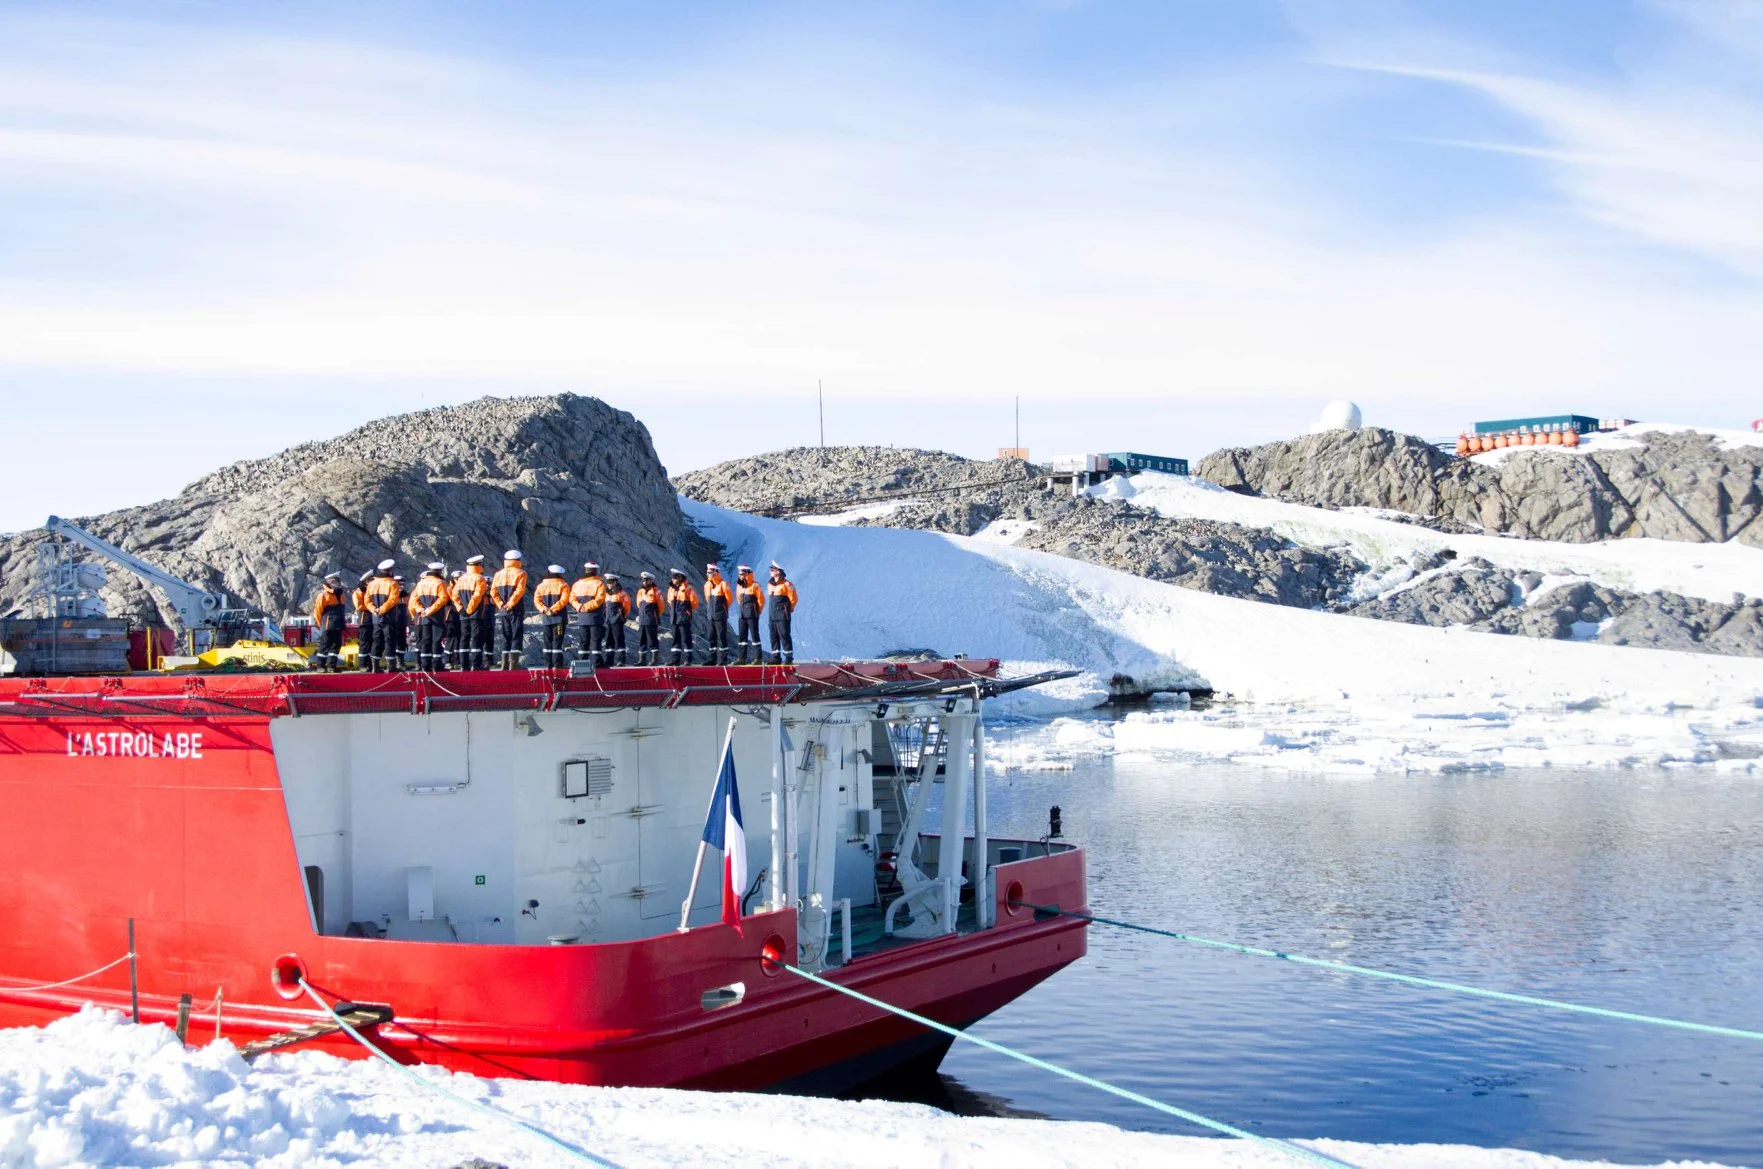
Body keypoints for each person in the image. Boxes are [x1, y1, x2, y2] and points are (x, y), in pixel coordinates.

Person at [410, 564, 452, 672]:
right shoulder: (440, 583)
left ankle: (425, 664)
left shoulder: (420, 583)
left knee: (426, 640)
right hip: (436, 616)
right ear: (439, 571)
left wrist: (421, 610)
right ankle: (436, 664)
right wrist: (430, 610)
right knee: (436, 640)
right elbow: (443, 599)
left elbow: (414, 600)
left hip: (424, 616)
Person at [491, 550, 529, 670]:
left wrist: (501, 604)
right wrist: (510, 604)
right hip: (515, 609)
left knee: (506, 635)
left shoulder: (498, 574)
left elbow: (493, 591)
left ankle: (504, 664)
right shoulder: (521, 573)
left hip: (502, 610)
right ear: (518, 560)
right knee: (516, 635)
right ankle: (514, 664)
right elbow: (519, 591)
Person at [364, 560, 402, 671]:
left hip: (376, 618)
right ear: (390, 570)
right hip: (389, 617)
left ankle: (375, 667)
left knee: (376, 641)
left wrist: (374, 610)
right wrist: (382, 609)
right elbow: (393, 600)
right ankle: (391, 666)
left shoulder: (371, 584)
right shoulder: (392, 583)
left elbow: (367, 600)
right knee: (389, 640)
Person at [569, 561, 608, 667]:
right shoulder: (599, 583)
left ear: (586, 570)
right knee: (595, 641)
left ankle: (582, 664)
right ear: (595, 571)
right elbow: (599, 599)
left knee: (583, 641)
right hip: (595, 617)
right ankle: (597, 664)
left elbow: (571, 599)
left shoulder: (577, 584)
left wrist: (579, 607)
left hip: (581, 617)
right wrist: (587, 607)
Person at [455, 554, 491, 670]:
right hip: (476, 614)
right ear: (479, 565)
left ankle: (464, 665)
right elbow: (477, 595)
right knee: (476, 638)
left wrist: (461, 609)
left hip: (463, 614)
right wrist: (469, 609)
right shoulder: (480, 579)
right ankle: (476, 665)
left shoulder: (461, 579)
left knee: (464, 638)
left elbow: (454, 595)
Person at [534, 564, 571, 670]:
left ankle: (548, 664)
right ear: (559, 574)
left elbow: (537, 600)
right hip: (558, 618)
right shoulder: (564, 585)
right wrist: (553, 609)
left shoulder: (541, 586)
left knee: (547, 641)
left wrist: (545, 609)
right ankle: (557, 665)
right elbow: (564, 601)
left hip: (546, 618)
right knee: (557, 642)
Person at [310, 571, 347, 671]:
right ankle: (320, 666)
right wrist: (320, 624)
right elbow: (318, 611)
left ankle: (331, 666)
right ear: (330, 582)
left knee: (336, 646)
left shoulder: (341, 595)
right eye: (336, 581)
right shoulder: (323, 595)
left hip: (338, 625)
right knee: (324, 646)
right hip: (327, 625)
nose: (338, 583)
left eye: (338, 580)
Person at [766, 563, 799, 665]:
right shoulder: (770, 584)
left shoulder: (787, 584)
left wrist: (789, 609)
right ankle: (776, 657)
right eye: (770, 569)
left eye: (772, 569)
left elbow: (794, 599)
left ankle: (788, 658)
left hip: (782, 614)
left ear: (778, 571)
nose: (770, 570)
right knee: (773, 636)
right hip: (772, 614)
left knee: (784, 635)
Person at [665, 570, 699, 666]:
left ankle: (688, 660)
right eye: (673, 577)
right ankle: (675, 659)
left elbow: (694, 603)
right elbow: (669, 600)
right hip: (674, 617)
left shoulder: (688, 588)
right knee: (675, 639)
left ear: (680, 577)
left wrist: (686, 611)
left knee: (686, 638)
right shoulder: (671, 589)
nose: (673, 579)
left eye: (675, 577)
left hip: (684, 617)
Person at [702, 563, 733, 665]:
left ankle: (723, 659)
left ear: (715, 572)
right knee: (711, 637)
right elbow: (707, 598)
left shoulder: (724, 584)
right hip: (711, 615)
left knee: (721, 637)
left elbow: (729, 599)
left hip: (720, 615)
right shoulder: (707, 585)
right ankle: (712, 658)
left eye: (709, 572)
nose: (707, 574)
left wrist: (722, 609)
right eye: (707, 572)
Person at [733, 564, 764, 664]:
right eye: (739, 574)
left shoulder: (755, 585)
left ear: (747, 574)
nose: (740, 575)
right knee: (742, 637)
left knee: (754, 636)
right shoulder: (739, 585)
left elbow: (761, 600)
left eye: (742, 573)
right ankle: (742, 658)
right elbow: (738, 598)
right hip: (742, 614)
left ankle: (758, 658)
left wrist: (757, 611)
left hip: (752, 614)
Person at [633, 571, 666, 666]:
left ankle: (654, 660)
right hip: (642, 620)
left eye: (646, 580)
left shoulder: (657, 592)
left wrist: (654, 615)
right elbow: (639, 604)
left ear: (651, 580)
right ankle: (642, 660)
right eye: (643, 580)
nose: (644, 582)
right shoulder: (640, 592)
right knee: (642, 640)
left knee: (652, 640)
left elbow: (661, 607)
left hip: (651, 619)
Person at [602, 572, 631, 665]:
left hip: (617, 620)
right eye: (607, 582)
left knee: (619, 640)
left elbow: (627, 607)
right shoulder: (607, 594)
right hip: (608, 620)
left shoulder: (622, 594)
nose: (608, 584)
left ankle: (621, 660)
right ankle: (609, 660)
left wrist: (622, 617)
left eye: (610, 581)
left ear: (615, 582)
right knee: (609, 640)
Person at [352, 569, 377, 671]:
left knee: (373, 641)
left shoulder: (373, 590)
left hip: (374, 618)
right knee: (364, 642)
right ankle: (362, 665)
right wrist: (371, 606)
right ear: (367, 581)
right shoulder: (358, 592)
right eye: (371, 580)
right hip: (365, 618)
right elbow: (359, 606)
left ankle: (371, 665)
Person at [386, 574, 411, 669]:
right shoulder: (391, 595)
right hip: (392, 621)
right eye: (399, 584)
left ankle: (400, 662)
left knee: (401, 641)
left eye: (402, 584)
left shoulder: (406, 596)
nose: (401, 586)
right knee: (391, 641)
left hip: (402, 622)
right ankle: (391, 663)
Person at [444, 571, 464, 669]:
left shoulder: (463, 588)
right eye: (457, 579)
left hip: (461, 615)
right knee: (450, 638)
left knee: (460, 638)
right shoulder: (449, 589)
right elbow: (450, 599)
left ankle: (458, 660)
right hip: (451, 616)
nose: (458, 580)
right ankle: (448, 660)